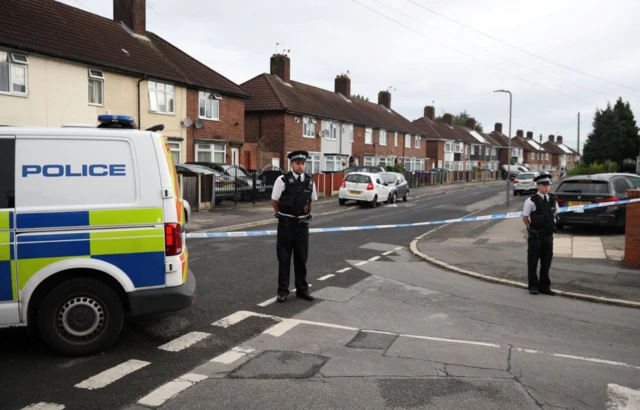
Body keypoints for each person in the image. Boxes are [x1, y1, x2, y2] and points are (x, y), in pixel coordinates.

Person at [271, 151, 318, 303]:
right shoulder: (282, 179)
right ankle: (283, 291)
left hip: (302, 225)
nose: (301, 166)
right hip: (286, 224)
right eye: (298, 163)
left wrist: (305, 212)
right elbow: (274, 200)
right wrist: (281, 214)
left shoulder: (310, 181)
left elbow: (311, 200)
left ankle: (302, 290)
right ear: (291, 164)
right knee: (284, 258)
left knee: (301, 258)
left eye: (303, 163)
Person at [521, 174, 559, 295]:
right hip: (536, 236)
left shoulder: (553, 199)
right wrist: (530, 229)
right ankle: (533, 286)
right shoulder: (531, 200)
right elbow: (525, 217)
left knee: (546, 262)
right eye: (543, 185)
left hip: (548, 236)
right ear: (538, 186)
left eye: (548, 185)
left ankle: (544, 286)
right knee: (533, 261)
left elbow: (556, 214)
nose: (546, 187)